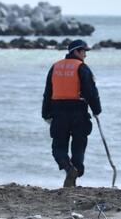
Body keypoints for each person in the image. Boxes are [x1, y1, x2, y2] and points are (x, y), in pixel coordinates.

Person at [41, 39, 101, 187]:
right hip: (78, 112)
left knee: (58, 148)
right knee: (79, 146)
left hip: (58, 112)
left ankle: (69, 169)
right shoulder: (82, 68)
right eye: (84, 51)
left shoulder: (55, 67)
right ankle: (75, 170)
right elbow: (90, 92)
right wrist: (96, 110)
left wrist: (46, 113)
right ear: (76, 51)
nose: (85, 55)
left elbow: (47, 92)